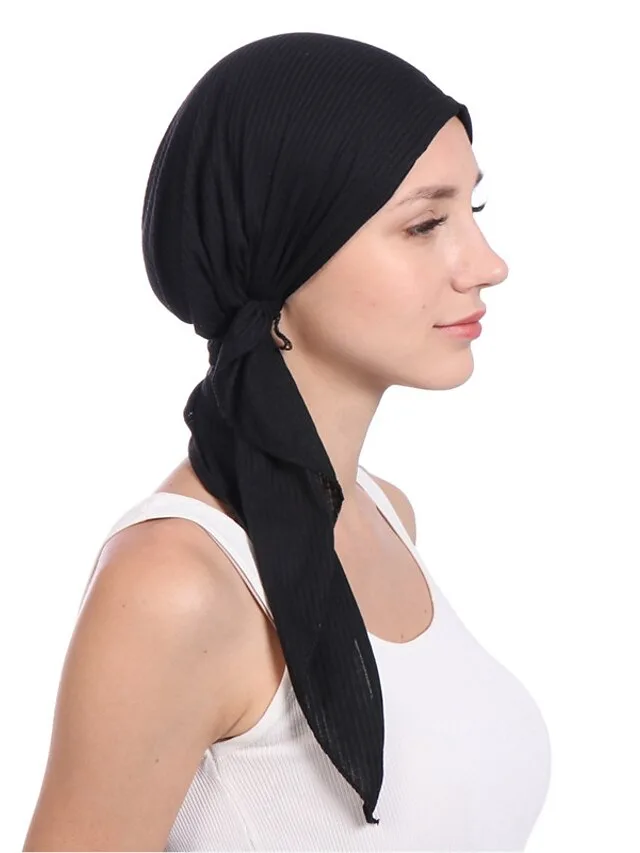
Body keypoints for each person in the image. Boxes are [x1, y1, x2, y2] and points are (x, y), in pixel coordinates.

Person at [23, 32, 551, 852]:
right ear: (279, 248)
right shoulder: (174, 585)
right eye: (424, 225)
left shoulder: (386, 514)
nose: (487, 264)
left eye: (471, 212)